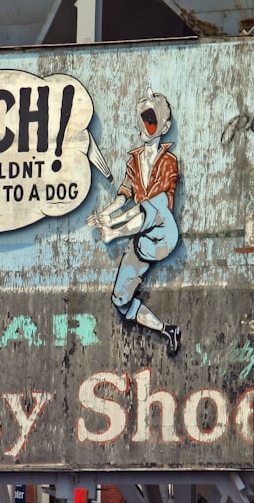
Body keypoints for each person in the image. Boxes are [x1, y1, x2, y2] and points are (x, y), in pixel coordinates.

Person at [87, 88, 181, 356]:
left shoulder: (169, 161)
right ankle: (167, 330)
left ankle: (113, 234)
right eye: (143, 120)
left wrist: (113, 227)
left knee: (156, 204)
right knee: (120, 299)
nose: (144, 125)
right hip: (143, 240)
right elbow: (123, 198)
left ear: (164, 126)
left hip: (164, 232)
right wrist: (105, 214)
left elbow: (159, 201)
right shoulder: (134, 162)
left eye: (150, 120)